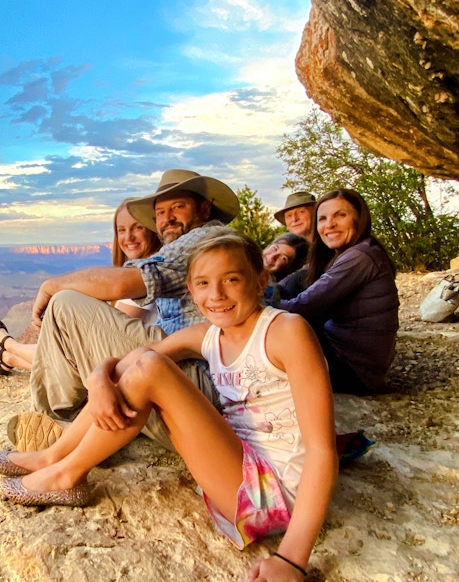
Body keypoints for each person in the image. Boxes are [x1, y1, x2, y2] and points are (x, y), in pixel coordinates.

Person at [0, 229, 338, 581]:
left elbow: (320, 450)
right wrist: (100, 379)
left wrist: (292, 560)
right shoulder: (211, 335)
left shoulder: (287, 332)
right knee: (143, 365)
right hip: (239, 466)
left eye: (231, 279)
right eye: (203, 283)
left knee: (150, 369)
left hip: (272, 496)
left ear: (260, 281)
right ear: (191, 290)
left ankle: (65, 474)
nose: (216, 294)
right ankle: (53, 457)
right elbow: (131, 360)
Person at [5, 169, 240, 451]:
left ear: (204, 208)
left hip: (204, 390)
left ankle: (59, 422)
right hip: (196, 384)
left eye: (178, 207)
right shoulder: (212, 242)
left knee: (66, 304)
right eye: (161, 212)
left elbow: (124, 284)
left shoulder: (205, 238)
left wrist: (52, 284)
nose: (168, 218)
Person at [0, 199, 162, 374]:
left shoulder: (148, 274)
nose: (128, 237)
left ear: (152, 230)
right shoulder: (139, 269)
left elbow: (111, 334)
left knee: (69, 343)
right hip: (122, 358)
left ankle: (9, 345)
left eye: (138, 227)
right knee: (69, 348)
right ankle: (9, 358)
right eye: (121, 230)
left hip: (128, 363)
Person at [275, 189, 399, 395]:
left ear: (360, 218)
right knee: (299, 280)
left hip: (354, 372)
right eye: (322, 218)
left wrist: (256, 302)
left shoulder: (361, 256)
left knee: (280, 315)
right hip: (353, 359)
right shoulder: (354, 252)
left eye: (340, 215)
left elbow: (301, 306)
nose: (329, 224)